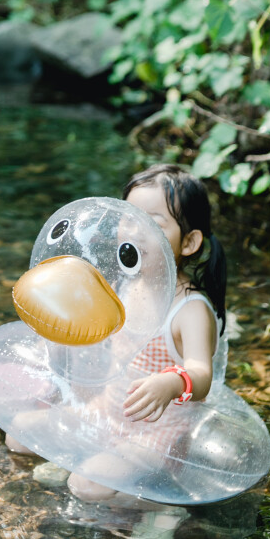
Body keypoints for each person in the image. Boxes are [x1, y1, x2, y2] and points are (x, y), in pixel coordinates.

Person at [63, 163, 227, 503]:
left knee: (85, 486)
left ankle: (160, 507)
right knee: (20, 435)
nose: (135, 229)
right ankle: (106, 471)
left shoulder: (190, 308)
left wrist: (170, 383)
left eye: (153, 221)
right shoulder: (126, 284)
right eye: (129, 217)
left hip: (158, 431)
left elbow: (202, 374)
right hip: (109, 410)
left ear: (189, 242)